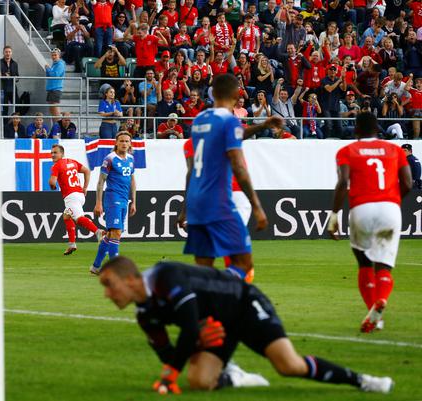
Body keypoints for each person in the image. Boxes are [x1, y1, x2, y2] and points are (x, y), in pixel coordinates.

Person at [98, 256, 395, 394]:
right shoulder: (144, 315)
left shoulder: (165, 277)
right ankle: (237, 377)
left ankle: (363, 381)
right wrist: (178, 364)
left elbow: (188, 331)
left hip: (244, 305)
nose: (107, 294)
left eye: (109, 285)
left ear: (131, 279)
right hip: (216, 322)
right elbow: (169, 352)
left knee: (288, 366)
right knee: (200, 382)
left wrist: (170, 375)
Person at [327, 112, 412, 334]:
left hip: (361, 209)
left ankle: (375, 315)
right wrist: (393, 201)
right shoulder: (394, 150)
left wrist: (334, 215)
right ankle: (381, 300)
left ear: (356, 130)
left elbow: (343, 181)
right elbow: (408, 182)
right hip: (390, 208)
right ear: (378, 130)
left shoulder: (346, 151)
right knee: (383, 266)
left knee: (364, 263)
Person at [178, 74, 267, 281]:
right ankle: (224, 296)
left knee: (203, 267)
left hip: (198, 203)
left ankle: (204, 310)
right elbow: (238, 165)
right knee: (244, 265)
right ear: (237, 95)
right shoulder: (230, 121)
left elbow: (191, 171)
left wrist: (186, 208)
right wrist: (256, 205)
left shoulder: (199, 121)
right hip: (219, 201)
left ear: (212, 93)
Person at [90, 132, 136, 274]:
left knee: (112, 234)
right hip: (112, 198)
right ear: (116, 143)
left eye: (127, 141)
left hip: (124, 199)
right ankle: (115, 269)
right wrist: (98, 202)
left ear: (130, 143)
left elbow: (132, 181)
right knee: (116, 232)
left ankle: (96, 267)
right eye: (121, 141)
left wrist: (134, 201)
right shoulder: (109, 159)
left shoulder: (131, 159)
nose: (124, 143)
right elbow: (100, 182)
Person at [49, 144, 104, 255]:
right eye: (52, 153)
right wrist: (85, 187)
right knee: (66, 216)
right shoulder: (72, 162)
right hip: (79, 195)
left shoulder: (56, 166)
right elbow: (87, 171)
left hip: (71, 197)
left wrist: (53, 186)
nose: (53, 155)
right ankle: (72, 244)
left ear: (62, 154)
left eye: (55, 152)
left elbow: (52, 182)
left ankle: (98, 232)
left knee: (79, 219)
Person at [45, 48, 65, 121]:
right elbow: (49, 76)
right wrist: (48, 70)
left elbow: (55, 75)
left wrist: (48, 69)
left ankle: (59, 128)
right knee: (52, 110)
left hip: (56, 89)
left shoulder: (60, 64)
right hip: (51, 89)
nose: (53, 56)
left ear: (59, 55)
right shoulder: (54, 64)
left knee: (55, 110)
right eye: (52, 55)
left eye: (55, 55)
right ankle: (56, 127)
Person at [0, 46, 19, 117]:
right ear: (3, 53)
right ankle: (4, 127)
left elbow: (17, 76)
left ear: (11, 53)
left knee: (17, 108)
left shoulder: (15, 63)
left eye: (9, 52)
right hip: (2, 89)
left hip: (13, 89)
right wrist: (4, 75)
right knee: (4, 110)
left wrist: (15, 78)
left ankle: (13, 124)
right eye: (6, 52)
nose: (8, 53)